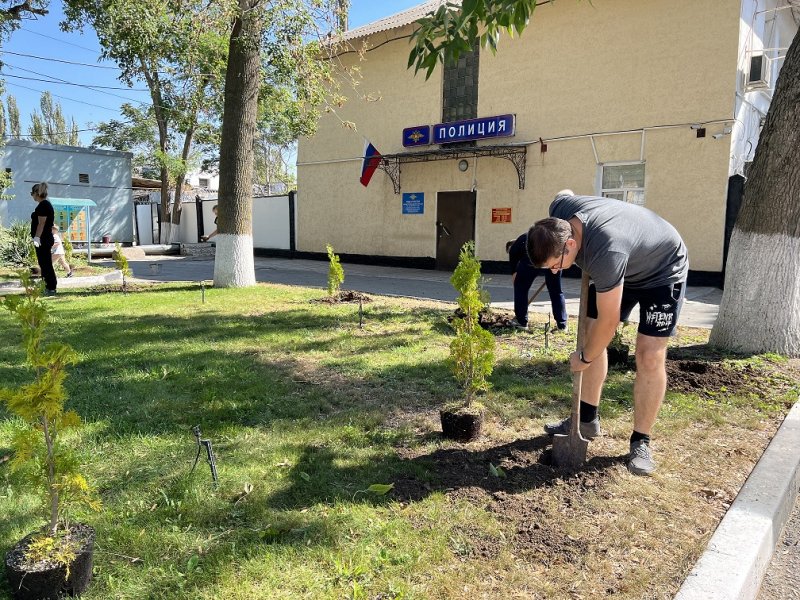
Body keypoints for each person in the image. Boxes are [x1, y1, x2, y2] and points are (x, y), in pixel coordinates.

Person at [528, 190, 688, 476]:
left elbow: (609, 320)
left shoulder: (607, 252)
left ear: (571, 244)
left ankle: (641, 441)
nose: (554, 272)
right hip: (624, 260)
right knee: (591, 332)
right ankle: (586, 419)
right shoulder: (561, 210)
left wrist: (585, 358)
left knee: (649, 353)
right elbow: (562, 192)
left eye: (556, 265)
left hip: (662, 269)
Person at [506, 233, 567, 331]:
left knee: (521, 288)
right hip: (553, 254)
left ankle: (521, 321)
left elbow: (514, 275)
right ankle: (562, 325)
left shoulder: (514, 249)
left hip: (533, 257)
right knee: (556, 291)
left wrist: (518, 284)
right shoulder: (529, 237)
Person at [30, 182, 57, 296]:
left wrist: (37, 237)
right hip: (44, 238)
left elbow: (41, 223)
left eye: (32, 193)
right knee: (44, 263)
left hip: (43, 239)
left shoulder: (43, 205)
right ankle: (47, 286)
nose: (32, 196)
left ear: (37, 193)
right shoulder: (45, 205)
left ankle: (50, 287)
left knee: (45, 264)